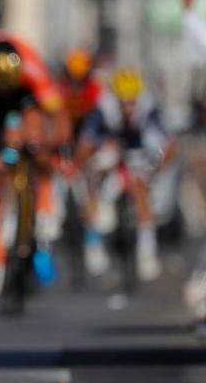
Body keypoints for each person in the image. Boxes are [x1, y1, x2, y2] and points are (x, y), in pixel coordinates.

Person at [0, 31, 70, 296]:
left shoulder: (32, 66)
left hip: (23, 101)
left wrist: (53, 147)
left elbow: (58, 115)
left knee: (36, 137)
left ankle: (44, 204)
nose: (3, 90)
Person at [75, 68, 177, 281]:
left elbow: (168, 144)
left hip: (139, 150)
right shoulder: (104, 107)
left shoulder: (149, 108)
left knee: (140, 188)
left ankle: (146, 251)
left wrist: (156, 170)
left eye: (132, 102)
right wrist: (86, 167)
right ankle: (93, 241)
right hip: (109, 146)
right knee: (95, 176)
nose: (128, 108)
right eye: (124, 102)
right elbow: (85, 144)